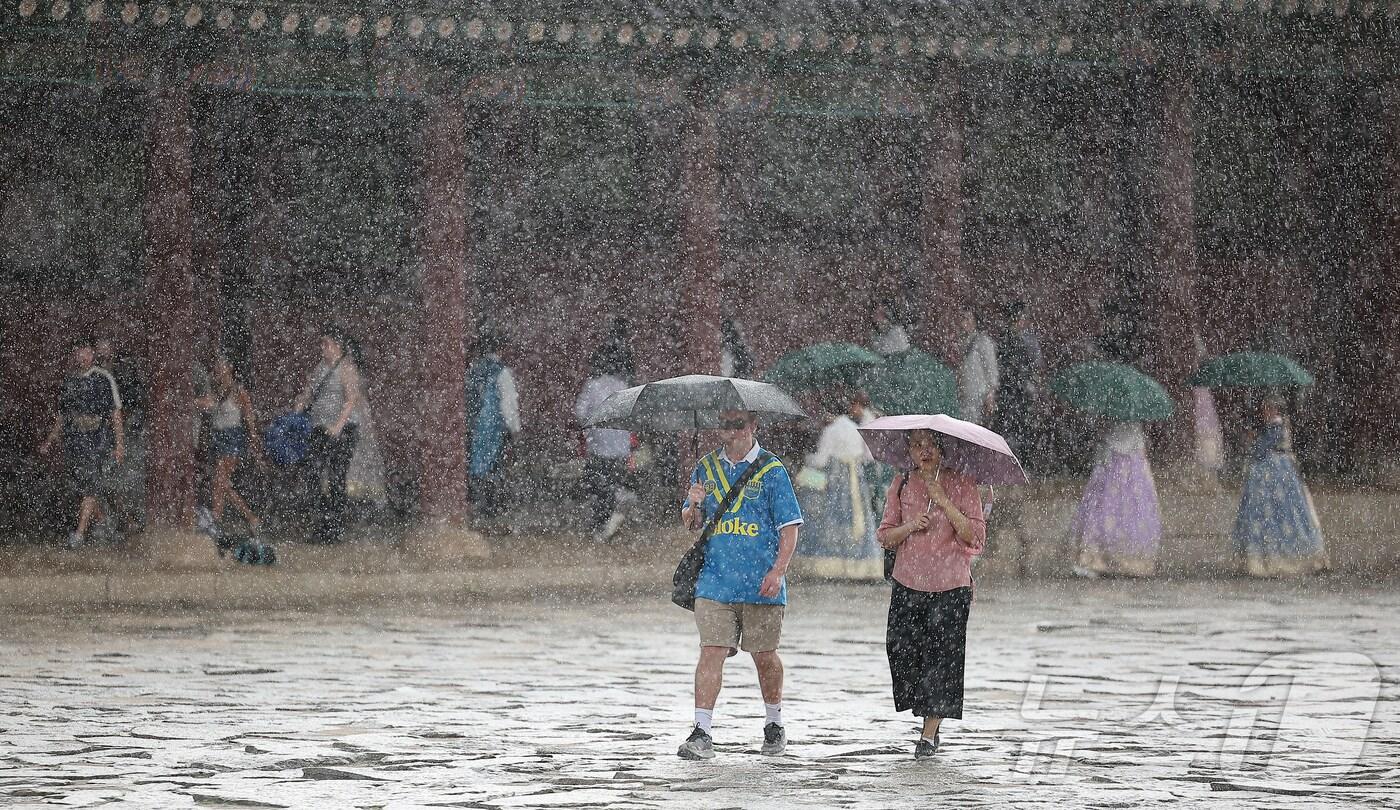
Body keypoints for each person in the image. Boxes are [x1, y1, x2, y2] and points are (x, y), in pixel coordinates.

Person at [676, 410, 803, 760]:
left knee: (764, 656)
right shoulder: (705, 467)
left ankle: (774, 722)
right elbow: (691, 523)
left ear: (753, 426)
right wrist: (693, 505)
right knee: (711, 651)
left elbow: (790, 528)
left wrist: (778, 571)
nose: (730, 431)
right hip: (715, 581)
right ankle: (701, 730)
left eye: (738, 424)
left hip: (760, 583)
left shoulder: (772, 470)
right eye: (725, 424)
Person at [877, 429, 986, 760]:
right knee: (902, 654)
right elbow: (885, 536)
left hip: (950, 587)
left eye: (931, 445)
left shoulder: (963, 483)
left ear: (942, 449)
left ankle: (928, 734)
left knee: (941, 662)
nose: (924, 451)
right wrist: (910, 526)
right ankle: (927, 713)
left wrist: (944, 501)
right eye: (917, 445)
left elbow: (975, 537)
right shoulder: (901, 483)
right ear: (909, 450)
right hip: (908, 583)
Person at [38, 337, 125, 549]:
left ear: (93, 354)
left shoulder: (104, 378)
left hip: (97, 438)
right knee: (81, 486)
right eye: (80, 352)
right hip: (75, 439)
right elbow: (62, 416)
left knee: (90, 485)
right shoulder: (69, 381)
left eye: (87, 351)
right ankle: (104, 521)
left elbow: (115, 413)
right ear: (75, 355)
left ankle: (78, 535)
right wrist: (50, 440)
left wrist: (119, 444)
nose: (84, 356)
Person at [1231, 396, 1329, 577]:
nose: (1264, 413)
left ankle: (1280, 556)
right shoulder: (1275, 426)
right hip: (1275, 469)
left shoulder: (1276, 426)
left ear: (1274, 410)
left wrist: (1253, 441)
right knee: (1277, 510)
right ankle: (1270, 554)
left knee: (1280, 510)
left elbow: (1262, 448)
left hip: (1275, 470)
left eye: (1267, 409)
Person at [795, 393, 880, 580]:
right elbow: (867, 456)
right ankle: (859, 566)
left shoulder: (831, 431)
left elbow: (821, 459)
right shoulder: (856, 429)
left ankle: (831, 565)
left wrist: (806, 460)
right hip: (856, 480)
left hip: (836, 479)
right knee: (858, 518)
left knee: (832, 518)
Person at [292, 327, 363, 544]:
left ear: (338, 346)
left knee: (336, 477)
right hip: (319, 429)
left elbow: (351, 399)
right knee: (312, 474)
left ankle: (335, 527)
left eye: (327, 343)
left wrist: (338, 426)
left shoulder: (346, 368)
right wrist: (299, 404)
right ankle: (323, 523)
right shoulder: (319, 368)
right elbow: (308, 393)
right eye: (322, 343)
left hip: (343, 430)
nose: (322, 348)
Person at [1069, 421, 1161, 578]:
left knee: (1103, 508)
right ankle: (1127, 561)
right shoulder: (1135, 416)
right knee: (1129, 510)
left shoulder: (1111, 415)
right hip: (1130, 461)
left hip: (1115, 459)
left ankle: (1099, 559)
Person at [195, 356, 264, 541]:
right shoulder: (217, 392)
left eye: (221, 368)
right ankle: (250, 518)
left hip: (232, 439)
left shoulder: (238, 392)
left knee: (219, 481)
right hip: (217, 439)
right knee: (221, 484)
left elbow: (249, 417)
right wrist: (190, 401)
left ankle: (216, 520)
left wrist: (253, 440)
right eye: (216, 369)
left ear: (230, 369)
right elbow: (207, 403)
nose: (217, 372)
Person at [574, 346, 634, 541]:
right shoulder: (624, 386)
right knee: (613, 483)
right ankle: (613, 515)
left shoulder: (593, 386)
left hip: (599, 446)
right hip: (621, 448)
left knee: (600, 488)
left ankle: (601, 523)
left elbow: (580, 413)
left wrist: (592, 427)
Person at [466, 331, 522, 519]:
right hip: (493, 426)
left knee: (476, 464)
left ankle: (476, 502)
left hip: (475, 425)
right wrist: (514, 428)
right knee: (493, 464)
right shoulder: (501, 372)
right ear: (500, 349)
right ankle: (492, 506)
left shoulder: (475, 369)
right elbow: (508, 403)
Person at [996, 301, 1044, 467]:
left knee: (1019, 427)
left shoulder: (1021, 339)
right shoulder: (1009, 340)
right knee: (1015, 428)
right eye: (1022, 317)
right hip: (1014, 390)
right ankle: (1016, 462)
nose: (1024, 321)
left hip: (1017, 390)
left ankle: (1018, 461)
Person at [956, 309, 998, 426]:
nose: (964, 322)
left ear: (975, 322)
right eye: (963, 319)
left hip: (979, 394)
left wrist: (990, 395)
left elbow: (991, 369)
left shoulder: (983, 341)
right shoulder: (962, 341)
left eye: (967, 319)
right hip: (964, 393)